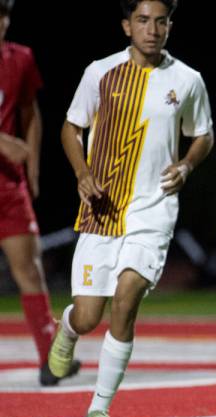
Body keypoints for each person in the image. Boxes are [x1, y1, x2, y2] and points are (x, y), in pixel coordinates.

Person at [48, 0, 213, 417]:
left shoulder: (188, 80)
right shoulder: (98, 72)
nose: (152, 29)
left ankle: (98, 411)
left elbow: (203, 134)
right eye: (143, 20)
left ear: (170, 26)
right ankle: (65, 330)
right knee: (88, 317)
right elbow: (71, 127)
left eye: (160, 21)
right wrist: (82, 175)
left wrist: (187, 165)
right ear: (126, 26)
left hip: (154, 209)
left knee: (127, 298)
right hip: (102, 209)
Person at [0, 0, 81, 386]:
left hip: (8, 185)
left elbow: (31, 113)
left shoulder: (20, 58)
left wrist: (31, 166)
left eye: (3, 16)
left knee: (29, 269)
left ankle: (49, 358)